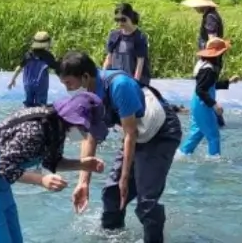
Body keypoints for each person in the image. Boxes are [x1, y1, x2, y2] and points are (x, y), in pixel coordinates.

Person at [57, 51, 182, 243]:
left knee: (146, 203)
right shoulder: (88, 96)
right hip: (136, 135)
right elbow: (90, 137)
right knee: (112, 193)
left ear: (85, 77)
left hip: (160, 134)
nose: (67, 90)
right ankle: (112, 237)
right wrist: (83, 182)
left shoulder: (119, 86)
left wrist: (125, 178)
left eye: (69, 84)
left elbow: (131, 133)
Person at [0, 92, 109, 243]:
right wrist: (41, 180)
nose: (86, 134)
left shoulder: (56, 127)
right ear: (74, 121)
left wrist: (82, 164)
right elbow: (5, 166)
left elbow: (52, 161)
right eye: (86, 129)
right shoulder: (36, 129)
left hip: (0, 182)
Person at [179, 38, 240, 158]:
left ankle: (181, 154)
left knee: (197, 132)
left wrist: (229, 82)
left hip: (197, 103)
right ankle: (214, 160)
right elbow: (201, 90)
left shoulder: (204, 65)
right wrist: (214, 104)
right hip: (203, 105)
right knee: (213, 135)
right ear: (217, 55)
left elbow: (210, 86)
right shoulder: (209, 70)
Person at [181, 0, 228, 127]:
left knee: (203, 90)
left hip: (210, 60)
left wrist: (207, 59)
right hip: (212, 60)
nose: (195, 8)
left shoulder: (210, 17)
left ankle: (214, 120)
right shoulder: (211, 15)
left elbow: (212, 39)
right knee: (209, 89)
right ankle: (216, 121)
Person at [104, 4, 152, 86]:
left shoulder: (139, 37)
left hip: (135, 79)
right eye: (117, 19)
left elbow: (140, 64)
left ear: (130, 18)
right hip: (118, 78)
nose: (120, 23)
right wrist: (103, 78)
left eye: (123, 20)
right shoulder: (114, 35)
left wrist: (135, 84)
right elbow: (109, 59)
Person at [7, 31, 57, 107]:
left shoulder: (28, 55)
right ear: (47, 43)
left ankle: (27, 116)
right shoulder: (48, 56)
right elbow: (56, 67)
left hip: (28, 84)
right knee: (40, 105)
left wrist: (12, 80)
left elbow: (19, 68)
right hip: (41, 84)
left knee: (28, 103)